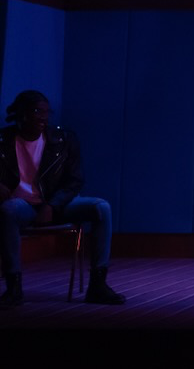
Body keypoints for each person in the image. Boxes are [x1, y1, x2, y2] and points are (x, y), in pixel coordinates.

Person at [0, 90, 124, 306]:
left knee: (101, 207)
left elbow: (75, 181)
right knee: (8, 210)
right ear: (22, 113)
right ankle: (13, 287)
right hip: (22, 206)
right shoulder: (3, 141)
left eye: (47, 112)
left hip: (57, 204)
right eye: (37, 111)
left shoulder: (63, 140)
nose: (43, 117)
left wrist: (52, 204)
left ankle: (98, 285)